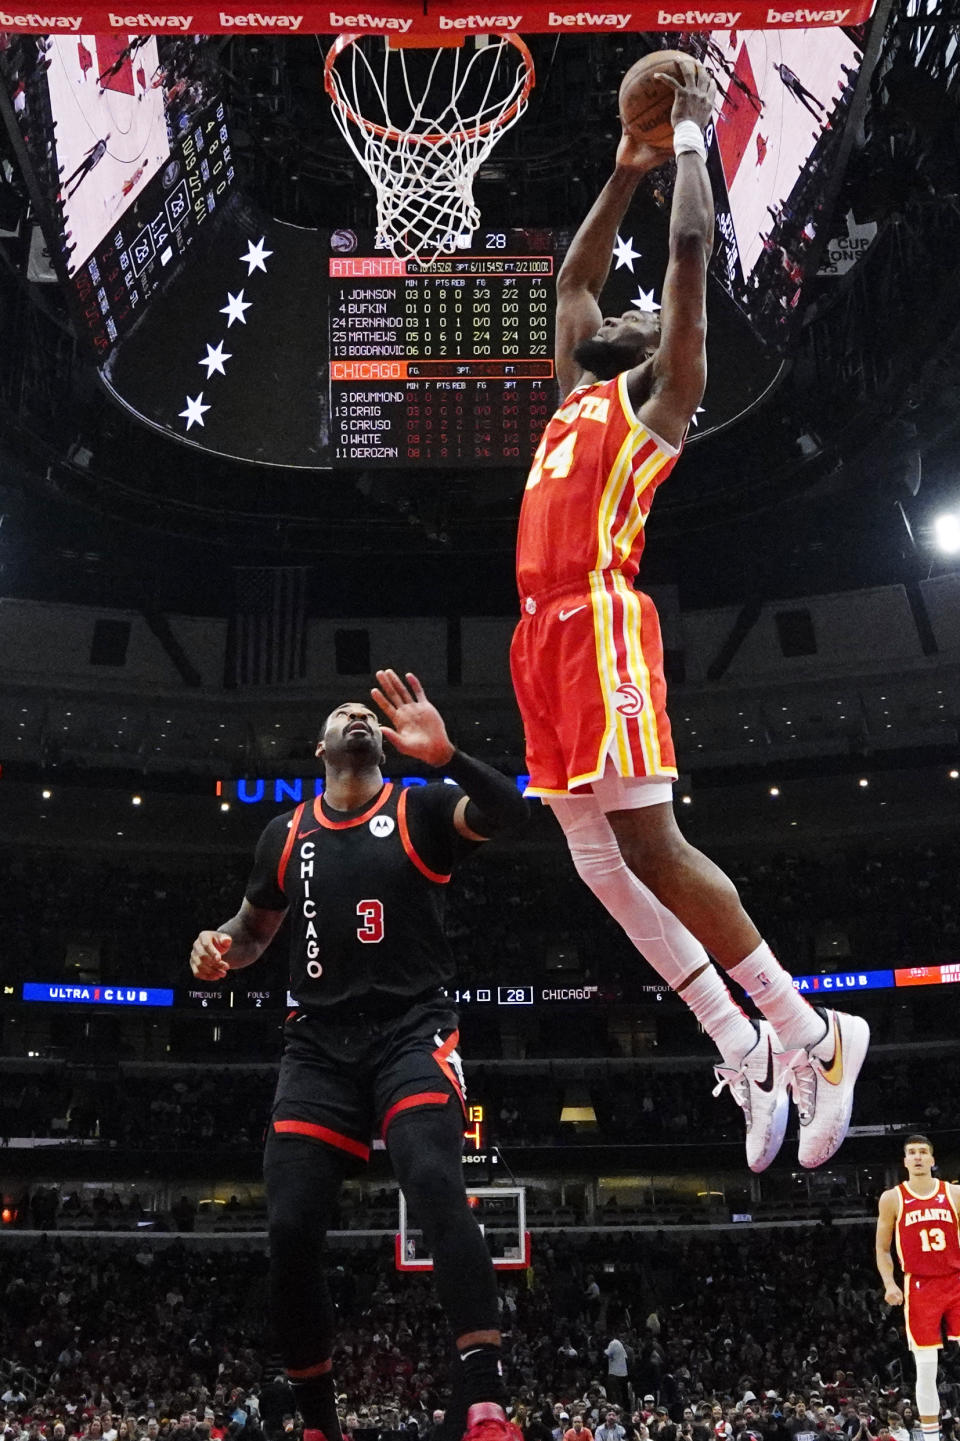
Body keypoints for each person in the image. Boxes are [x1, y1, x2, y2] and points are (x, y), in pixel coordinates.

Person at [509, 55, 869, 1174]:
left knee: (652, 845)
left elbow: (686, 257)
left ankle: (813, 1031)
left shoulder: (660, 398)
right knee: (592, 858)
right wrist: (621, 171)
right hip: (539, 634)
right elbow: (571, 282)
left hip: (605, 620)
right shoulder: (574, 393)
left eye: (634, 314)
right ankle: (740, 1043)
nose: (610, 313)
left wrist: (694, 145)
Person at [189, 671, 528, 1441]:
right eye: (343, 712)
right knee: (291, 1228)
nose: (357, 716)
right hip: (316, 1047)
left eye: (364, 715)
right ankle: (319, 1424)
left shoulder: (421, 806)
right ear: (320, 750)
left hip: (411, 1027)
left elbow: (509, 811)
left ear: (380, 744)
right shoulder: (284, 833)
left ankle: (482, 1400)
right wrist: (215, 948)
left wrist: (448, 756)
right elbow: (251, 933)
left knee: (437, 1178)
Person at [876, 1133, 960, 1441]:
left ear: (932, 1159)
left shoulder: (953, 1194)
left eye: (923, 1152)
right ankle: (931, 1437)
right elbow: (883, 1249)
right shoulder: (893, 1198)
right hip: (919, 1286)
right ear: (905, 1161)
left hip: (956, 1280)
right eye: (912, 1152)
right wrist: (889, 1283)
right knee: (926, 1366)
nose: (918, 1156)